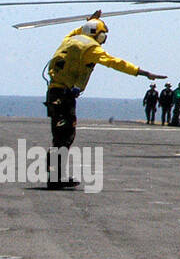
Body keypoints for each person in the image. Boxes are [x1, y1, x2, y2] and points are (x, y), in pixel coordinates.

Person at [44, 11, 164, 189]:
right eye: (103, 35)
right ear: (98, 35)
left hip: (53, 93)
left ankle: (55, 174)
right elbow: (115, 62)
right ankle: (55, 177)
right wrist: (142, 72)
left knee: (59, 135)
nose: (104, 39)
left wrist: (90, 22)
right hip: (65, 96)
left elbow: (77, 32)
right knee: (66, 135)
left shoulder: (69, 39)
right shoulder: (91, 48)